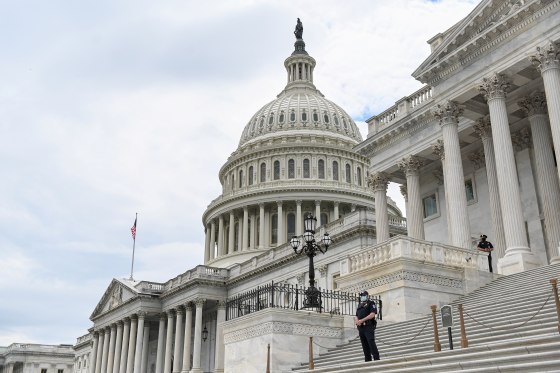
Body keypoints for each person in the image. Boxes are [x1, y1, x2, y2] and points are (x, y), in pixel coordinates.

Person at [354, 290, 380, 362]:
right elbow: (356, 315)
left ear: (367, 296)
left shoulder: (371, 303)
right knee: (364, 344)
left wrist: (362, 320)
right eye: (361, 296)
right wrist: (357, 321)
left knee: (370, 342)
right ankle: (368, 360)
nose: (362, 297)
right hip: (361, 328)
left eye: (364, 295)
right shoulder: (360, 305)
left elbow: (372, 314)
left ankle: (376, 358)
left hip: (368, 326)